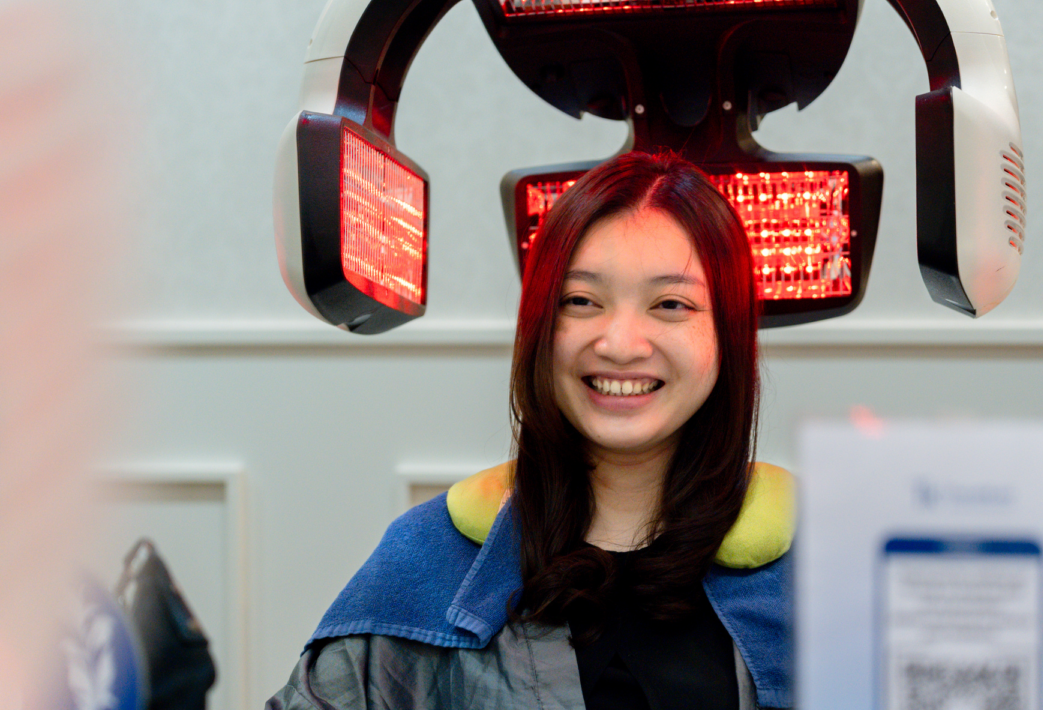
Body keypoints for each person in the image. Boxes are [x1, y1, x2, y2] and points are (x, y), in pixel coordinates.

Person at [267, 151, 795, 710]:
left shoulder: (821, 572)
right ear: (541, 325)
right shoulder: (428, 556)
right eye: (580, 301)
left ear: (728, 335)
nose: (619, 344)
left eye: (670, 303)